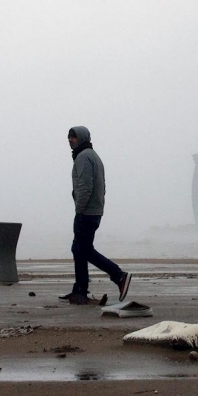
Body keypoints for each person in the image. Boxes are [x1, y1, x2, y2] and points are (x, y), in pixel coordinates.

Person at [60, 125, 131, 305]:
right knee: (78, 248)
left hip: (86, 212)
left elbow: (85, 187)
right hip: (94, 211)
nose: (70, 140)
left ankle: (118, 276)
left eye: (73, 137)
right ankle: (80, 290)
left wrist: (80, 209)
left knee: (84, 250)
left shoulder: (83, 157)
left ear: (82, 138)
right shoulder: (93, 156)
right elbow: (102, 186)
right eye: (69, 137)